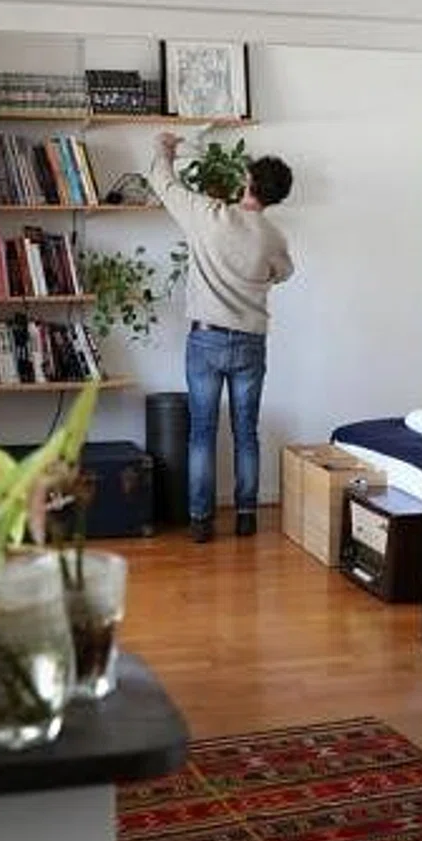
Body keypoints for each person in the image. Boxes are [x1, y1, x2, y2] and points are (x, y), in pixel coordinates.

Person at [150, 133, 294, 542]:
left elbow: (163, 182)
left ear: (247, 181)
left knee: (202, 431)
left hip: (205, 341)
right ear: (275, 197)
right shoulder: (273, 237)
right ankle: (247, 514)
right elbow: (284, 273)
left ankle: (200, 521)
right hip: (250, 342)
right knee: (246, 431)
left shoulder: (207, 214)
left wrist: (165, 149)